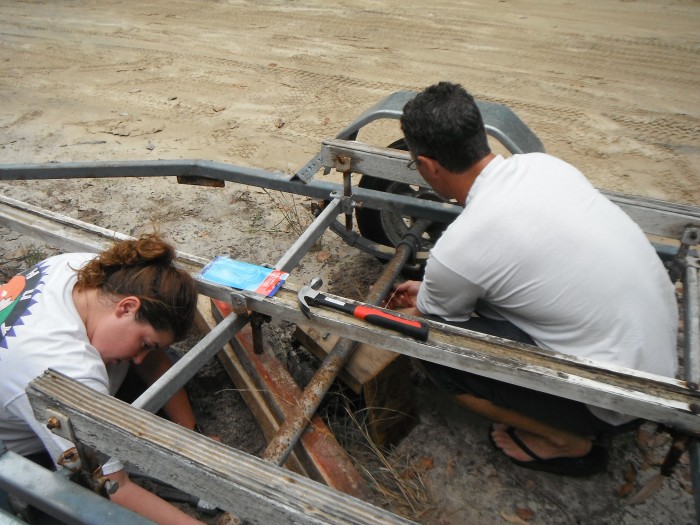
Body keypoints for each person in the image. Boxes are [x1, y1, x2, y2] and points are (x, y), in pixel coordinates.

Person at [387, 82, 678, 476]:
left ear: (427, 166)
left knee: (436, 349)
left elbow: (434, 318)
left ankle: (567, 439)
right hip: (659, 361)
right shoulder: (543, 166)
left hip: (620, 402)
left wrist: (429, 297)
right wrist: (435, 287)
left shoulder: (459, 249)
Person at [0, 233, 206, 524]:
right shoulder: (68, 372)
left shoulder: (85, 271)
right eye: (145, 344)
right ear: (127, 307)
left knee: (164, 363)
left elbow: (155, 359)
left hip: (27, 384)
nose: (139, 359)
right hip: (17, 446)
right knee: (76, 510)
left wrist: (192, 436)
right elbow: (114, 488)